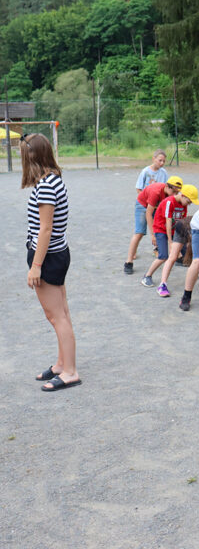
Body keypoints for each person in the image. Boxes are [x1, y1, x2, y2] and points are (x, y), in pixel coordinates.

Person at [20, 133, 81, 392]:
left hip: (48, 257)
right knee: (60, 313)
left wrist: (36, 266)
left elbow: (46, 229)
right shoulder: (52, 180)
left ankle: (70, 372)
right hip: (56, 254)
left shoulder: (46, 185)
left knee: (57, 317)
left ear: (32, 156)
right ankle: (61, 364)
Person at [141, 184, 199, 290]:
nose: (189, 204)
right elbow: (168, 221)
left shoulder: (183, 205)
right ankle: (147, 276)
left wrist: (187, 238)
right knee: (163, 256)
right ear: (183, 196)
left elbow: (182, 221)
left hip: (175, 230)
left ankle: (198, 268)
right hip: (161, 230)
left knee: (188, 249)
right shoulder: (169, 202)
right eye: (189, 201)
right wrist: (170, 242)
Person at [123, 176, 183, 274]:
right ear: (167, 186)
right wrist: (153, 235)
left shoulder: (171, 194)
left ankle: (179, 256)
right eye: (174, 192)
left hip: (157, 207)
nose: (175, 194)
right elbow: (148, 213)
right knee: (139, 232)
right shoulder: (156, 192)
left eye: (177, 192)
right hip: (143, 206)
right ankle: (129, 261)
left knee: (166, 228)